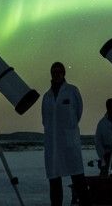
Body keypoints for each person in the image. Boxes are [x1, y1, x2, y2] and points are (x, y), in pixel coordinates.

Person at [41, 61, 89, 206]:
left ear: (63, 73)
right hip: (53, 144)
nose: (56, 74)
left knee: (78, 179)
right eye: (54, 72)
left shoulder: (72, 91)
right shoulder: (47, 96)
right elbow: (45, 119)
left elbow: (78, 112)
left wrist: (69, 129)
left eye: (59, 71)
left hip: (69, 143)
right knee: (55, 181)